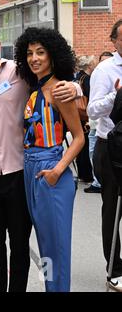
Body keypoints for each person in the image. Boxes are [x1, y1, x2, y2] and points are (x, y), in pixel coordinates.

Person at [0, 25, 81, 292]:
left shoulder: (19, 74)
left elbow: (57, 87)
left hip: (23, 174)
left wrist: (75, 87)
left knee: (28, 247)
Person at [14, 27, 85, 292]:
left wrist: (57, 170)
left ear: (53, 56)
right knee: (45, 245)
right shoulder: (34, 90)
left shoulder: (59, 90)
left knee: (57, 247)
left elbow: (79, 138)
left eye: (40, 53)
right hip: (30, 169)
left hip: (51, 169)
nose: (34, 58)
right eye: (30, 53)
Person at [87, 19, 122, 292]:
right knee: (112, 209)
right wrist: (116, 96)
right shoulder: (105, 69)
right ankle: (114, 270)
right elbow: (92, 110)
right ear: (114, 41)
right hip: (111, 149)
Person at [85, 51, 114, 194]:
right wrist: (115, 96)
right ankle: (97, 181)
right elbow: (92, 109)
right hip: (101, 132)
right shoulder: (100, 74)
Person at [74, 55, 97, 184]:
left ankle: (82, 173)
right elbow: (90, 96)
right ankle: (87, 174)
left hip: (78, 114)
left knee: (81, 143)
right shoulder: (87, 79)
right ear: (89, 66)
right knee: (86, 144)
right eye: (94, 63)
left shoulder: (78, 77)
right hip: (85, 114)